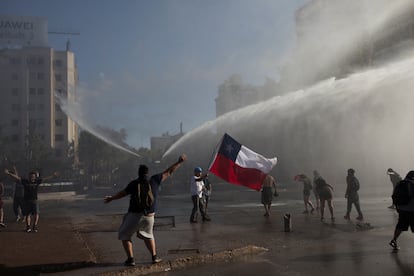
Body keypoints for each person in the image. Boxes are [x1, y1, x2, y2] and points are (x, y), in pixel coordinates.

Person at [104, 154, 186, 266]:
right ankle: (154, 257)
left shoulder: (134, 183)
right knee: (149, 236)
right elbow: (169, 172)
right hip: (150, 217)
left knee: (124, 235)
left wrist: (111, 198)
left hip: (134, 215)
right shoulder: (155, 180)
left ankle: (131, 259)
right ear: (147, 173)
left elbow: (122, 193)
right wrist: (179, 162)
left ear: (139, 173)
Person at [389, 170, 414, 251]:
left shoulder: (400, 183)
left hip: (401, 208)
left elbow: (394, 195)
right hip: (411, 209)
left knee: (400, 225)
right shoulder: (412, 184)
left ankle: (394, 240)